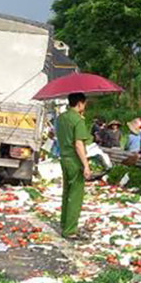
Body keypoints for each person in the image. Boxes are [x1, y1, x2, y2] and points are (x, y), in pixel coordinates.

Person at [56, 93, 92, 240]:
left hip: (64, 158)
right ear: (79, 104)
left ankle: (64, 223)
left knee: (67, 192)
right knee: (75, 195)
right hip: (75, 160)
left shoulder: (61, 118)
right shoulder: (78, 120)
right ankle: (70, 230)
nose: (85, 107)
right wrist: (86, 165)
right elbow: (78, 144)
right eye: (84, 104)